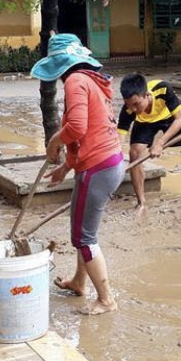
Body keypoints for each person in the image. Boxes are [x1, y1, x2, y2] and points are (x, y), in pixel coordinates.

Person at [30, 33, 125, 315]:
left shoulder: (75, 81)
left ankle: (106, 299)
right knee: (81, 229)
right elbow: (88, 133)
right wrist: (65, 167)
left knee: (84, 238)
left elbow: (77, 129)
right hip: (108, 162)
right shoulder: (92, 81)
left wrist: (53, 142)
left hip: (98, 168)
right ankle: (79, 282)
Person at [117, 73, 181, 214]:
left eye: (136, 104)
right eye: (129, 105)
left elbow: (180, 120)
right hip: (145, 123)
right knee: (134, 153)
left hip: (170, 118)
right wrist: (113, 163)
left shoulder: (163, 89)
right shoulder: (128, 109)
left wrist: (159, 143)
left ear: (146, 95)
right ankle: (141, 203)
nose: (133, 109)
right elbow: (118, 140)